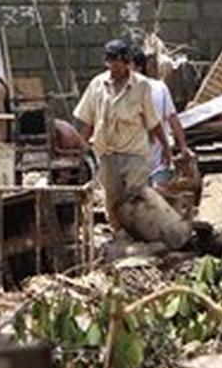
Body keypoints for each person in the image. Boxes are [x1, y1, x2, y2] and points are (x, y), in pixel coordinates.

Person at [73, 39, 191, 249]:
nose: (113, 70)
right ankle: (120, 236)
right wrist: (82, 148)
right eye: (109, 65)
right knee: (113, 199)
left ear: (127, 62)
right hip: (107, 152)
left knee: (136, 197)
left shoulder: (141, 86)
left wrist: (166, 147)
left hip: (134, 152)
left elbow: (154, 122)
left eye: (117, 64)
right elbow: (88, 119)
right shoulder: (97, 85)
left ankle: (143, 237)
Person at [130, 45, 190, 187]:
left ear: (138, 67)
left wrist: (183, 147)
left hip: (157, 161)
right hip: (135, 165)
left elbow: (172, 118)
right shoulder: (120, 95)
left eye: (128, 65)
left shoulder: (159, 88)